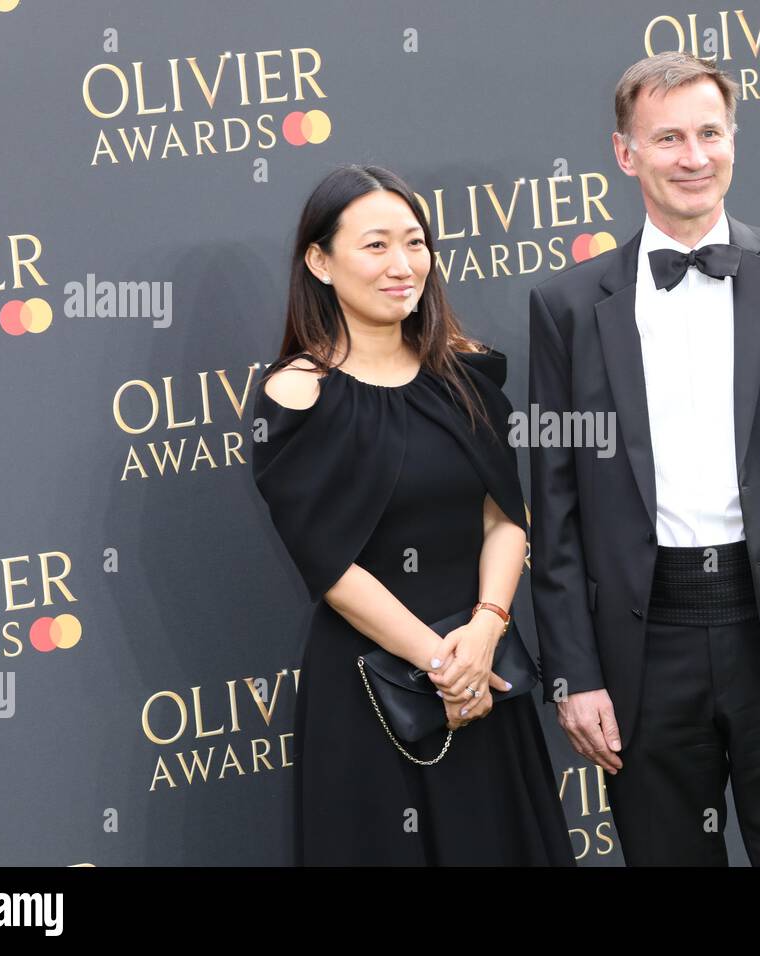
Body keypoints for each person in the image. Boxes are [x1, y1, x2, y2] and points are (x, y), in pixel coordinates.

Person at [527, 52, 760, 866]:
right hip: (641, 647)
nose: (694, 157)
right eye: (668, 138)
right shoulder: (566, 307)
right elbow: (553, 508)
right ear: (625, 154)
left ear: (734, 140)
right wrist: (573, 673)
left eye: (709, 133)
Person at [250, 164, 574, 866]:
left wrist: (486, 630)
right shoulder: (298, 397)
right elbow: (331, 567)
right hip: (374, 691)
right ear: (319, 261)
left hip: (487, 678)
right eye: (375, 246)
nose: (403, 266)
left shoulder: (467, 373)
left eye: (415, 243)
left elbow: (505, 517)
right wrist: (439, 663)